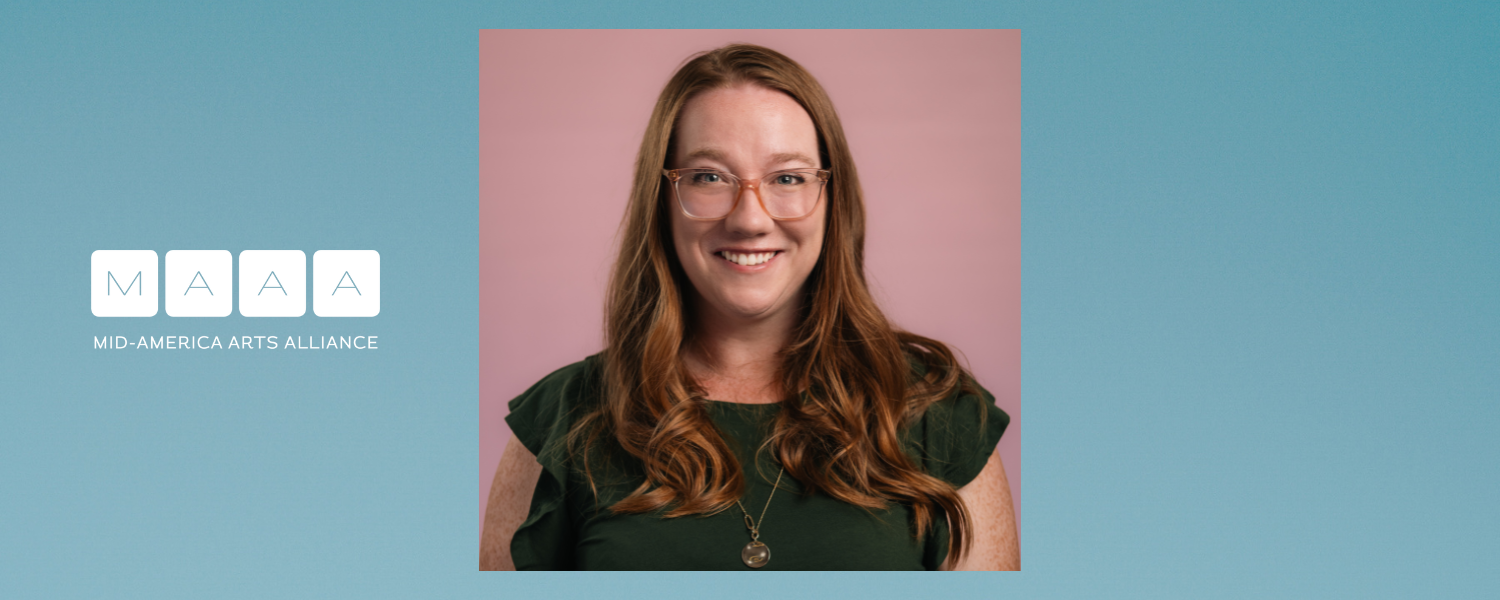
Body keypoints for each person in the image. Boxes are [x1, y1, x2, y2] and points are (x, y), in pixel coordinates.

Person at [480, 43, 1018, 570]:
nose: (750, 218)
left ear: (833, 199)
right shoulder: (562, 419)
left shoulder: (938, 411)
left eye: (788, 178)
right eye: (709, 177)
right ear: (663, 199)